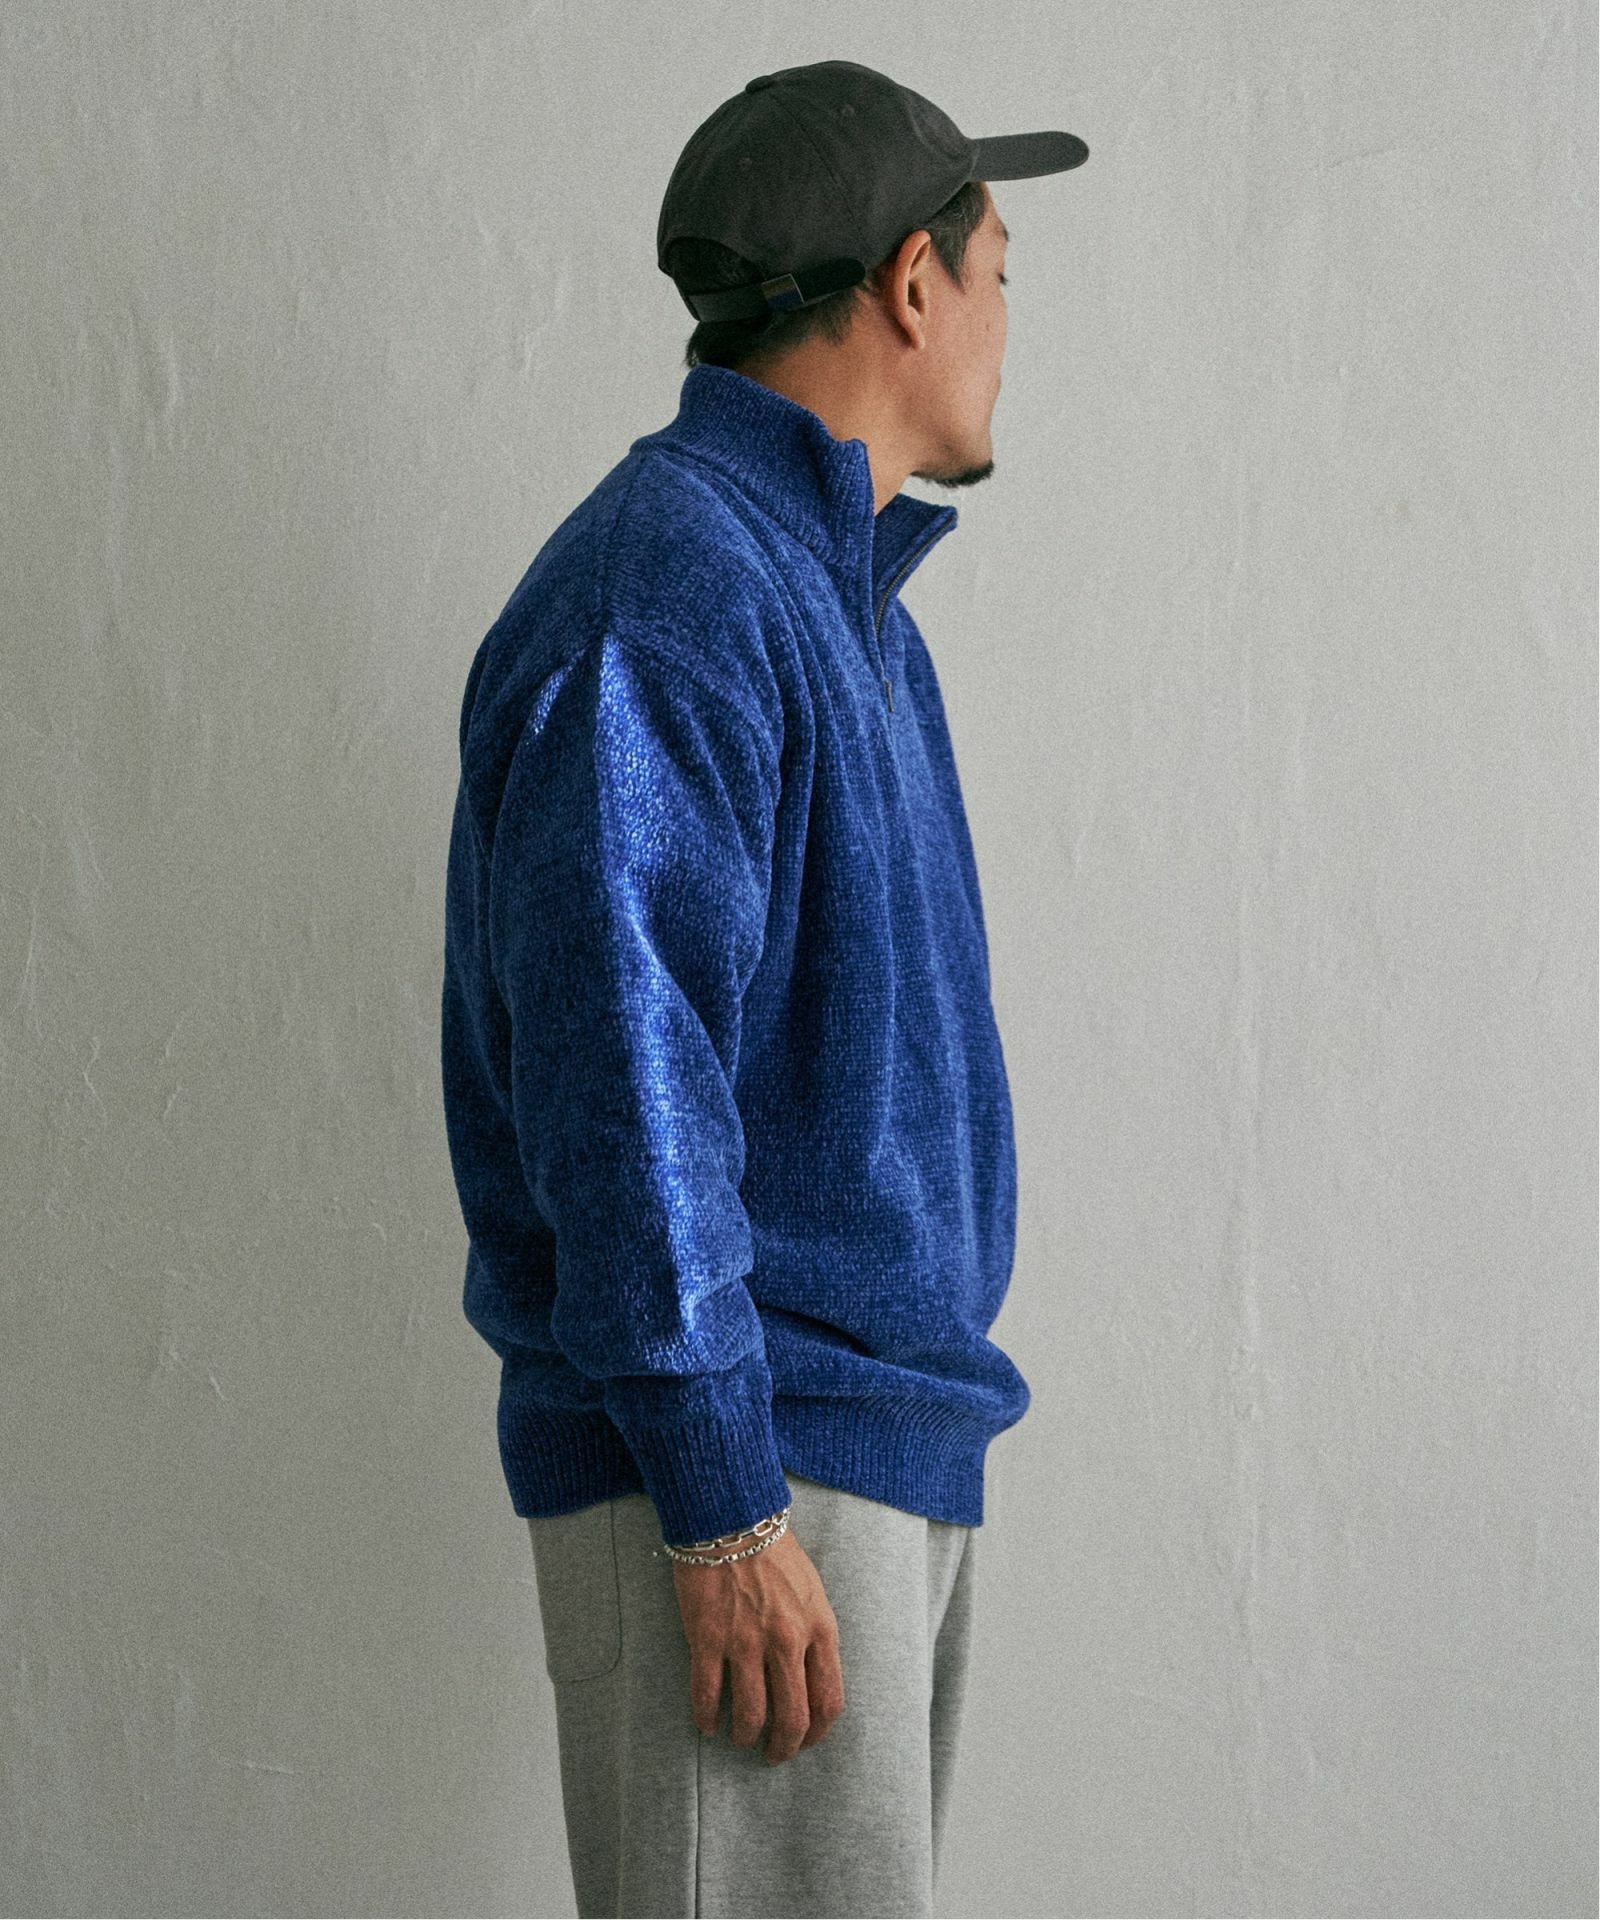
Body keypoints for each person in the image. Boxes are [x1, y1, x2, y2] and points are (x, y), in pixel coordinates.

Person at [439, 59, 1088, 1920]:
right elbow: (618, 1067)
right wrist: (723, 1497)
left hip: (863, 1455)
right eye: (1000, 274)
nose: (1009, 323)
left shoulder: (839, 611)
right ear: (912, 284)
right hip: (748, 1480)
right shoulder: (669, 594)